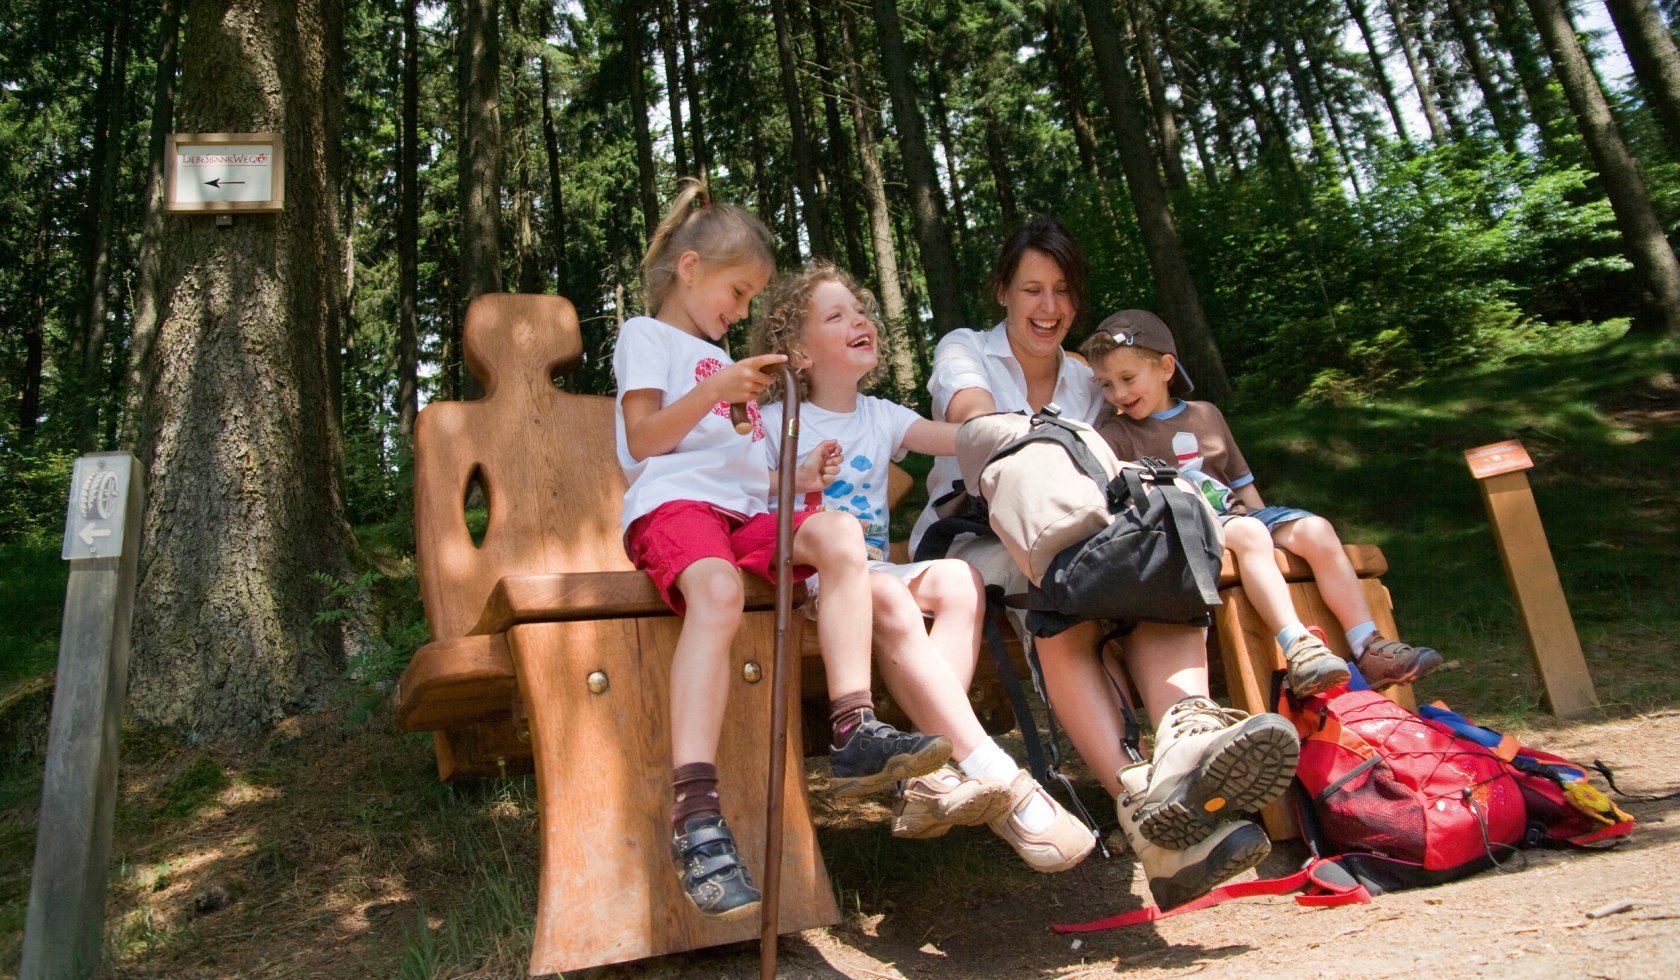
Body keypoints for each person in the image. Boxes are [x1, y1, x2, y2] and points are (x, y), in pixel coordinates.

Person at [908, 216, 1297, 910]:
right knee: (1063, 591)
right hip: (973, 535)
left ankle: (1185, 746)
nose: (1048, 307)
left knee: (1148, 567)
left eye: (1062, 291)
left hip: (1087, 533)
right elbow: (974, 423)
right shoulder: (966, 350)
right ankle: (1141, 801)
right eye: (1032, 289)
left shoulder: (1092, 378)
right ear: (1003, 291)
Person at [614, 179, 951, 922]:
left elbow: (738, 466)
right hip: (672, 507)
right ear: (691, 268)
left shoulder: (719, 359)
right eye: (737, 293)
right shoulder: (648, 336)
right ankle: (696, 813)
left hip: (739, 508)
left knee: (837, 533)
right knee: (720, 594)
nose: (740, 313)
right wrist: (718, 390)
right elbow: (643, 444)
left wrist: (796, 475)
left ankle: (854, 725)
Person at [752, 260, 1094, 873]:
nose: (859, 320)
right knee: (887, 598)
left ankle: (929, 769)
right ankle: (982, 765)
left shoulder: (882, 415)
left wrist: (1028, 426)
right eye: (836, 316)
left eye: (860, 312)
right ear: (798, 352)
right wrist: (796, 479)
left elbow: (961, 438)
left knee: (961, 580)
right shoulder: (778, 423)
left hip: (877, 571)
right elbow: (746, 500)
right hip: (812, 583)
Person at [1080, 308, 1444, 697]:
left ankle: (1367, 645)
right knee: (1251, 532)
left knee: (1315, 529)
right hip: (1189, 528)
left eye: (1127, 379)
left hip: (1239, 514)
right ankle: (1299, 646)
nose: (1118, 394)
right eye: (1105, 385)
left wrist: (1276, 532)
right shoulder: (1115, 434)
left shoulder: (1207, 416)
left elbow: (1243, 486)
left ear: (1166, 368)